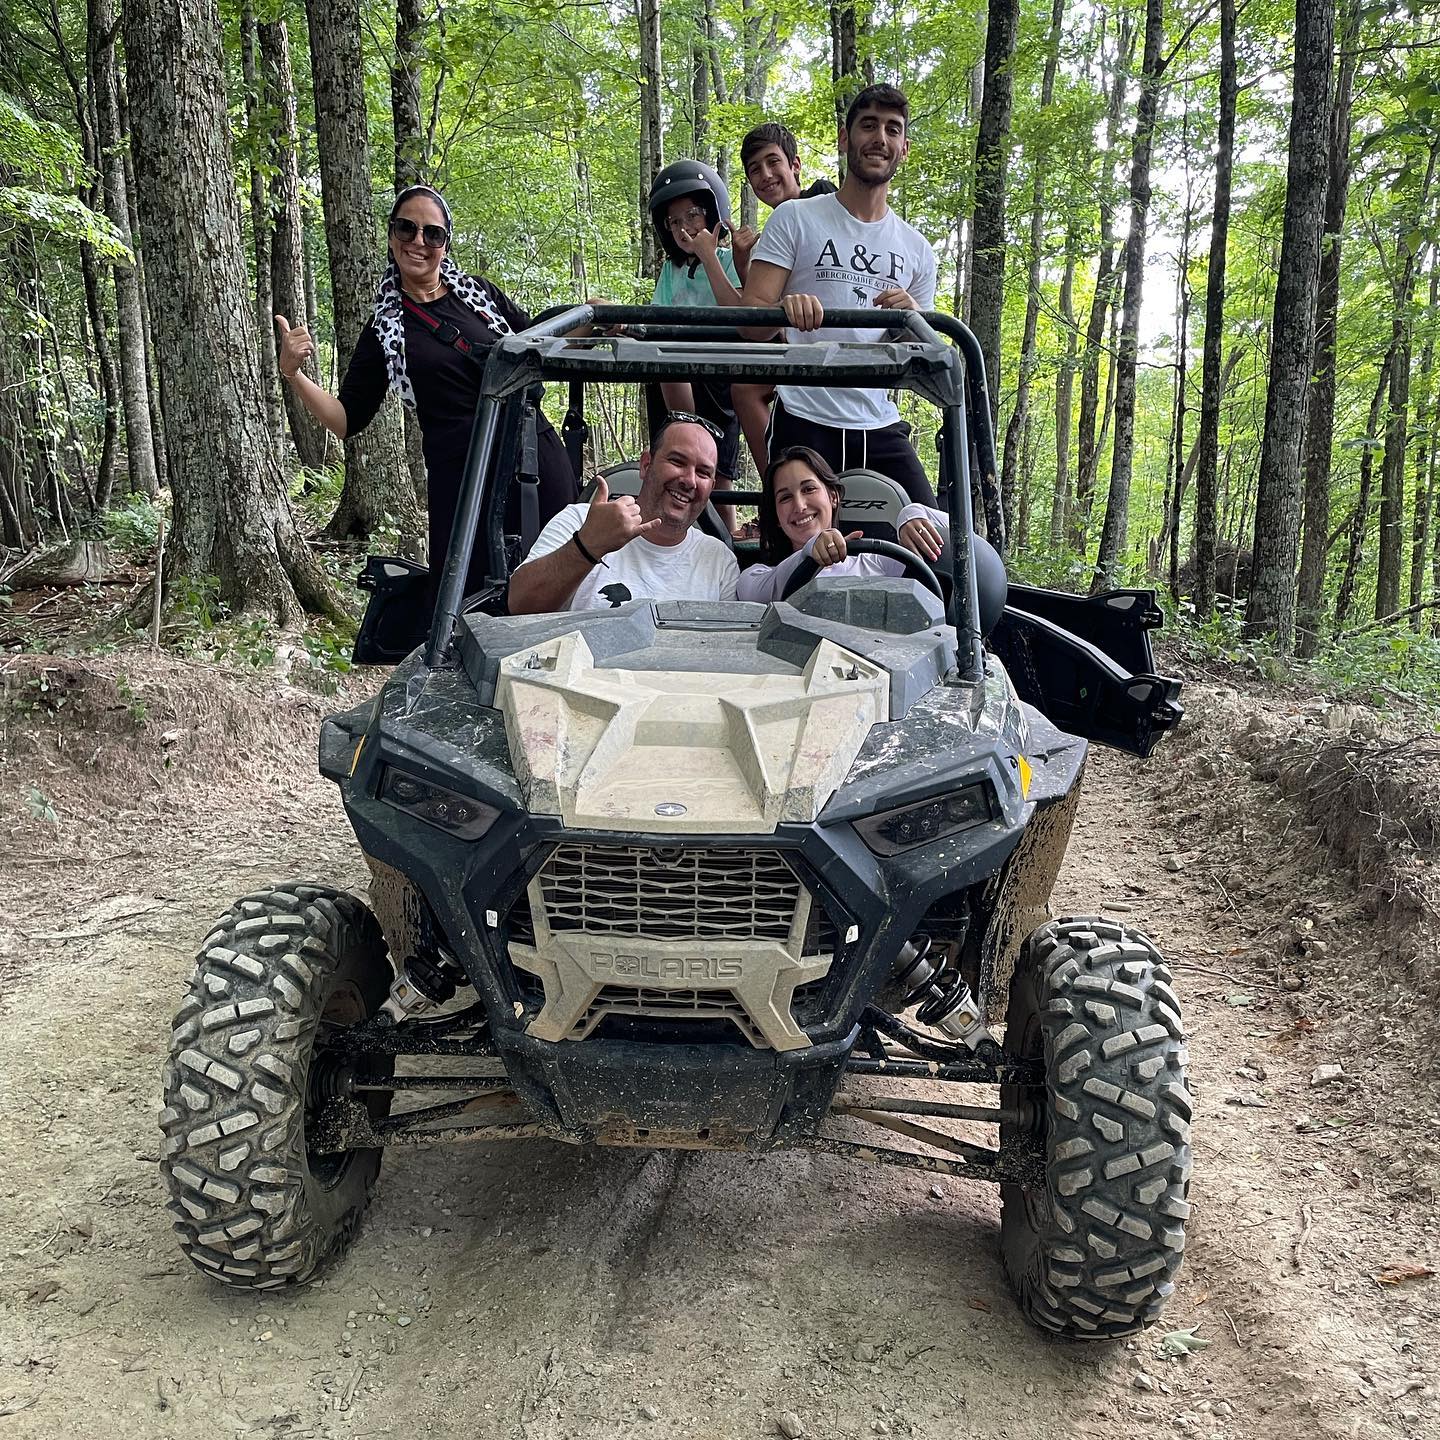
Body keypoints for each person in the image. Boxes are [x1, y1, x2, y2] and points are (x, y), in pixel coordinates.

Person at [274, 183, 579, 610]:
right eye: (407, 229)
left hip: (534, 462)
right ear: (391, 235)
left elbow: (540, 342)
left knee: (563, 587)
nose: (419, 242)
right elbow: (347, 418)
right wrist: (292, 374)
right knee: (473, 609)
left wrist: (591, 319)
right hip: (464, 484)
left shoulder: (481, 297)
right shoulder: (386, 330)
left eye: (432, 234)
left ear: (445, 243)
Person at [739, 85, 939, 503]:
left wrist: (914, 318)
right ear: (845, 138)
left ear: (904, 147)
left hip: (879, 423)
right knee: (800, 552)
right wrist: (780, 310)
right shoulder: (796, 218)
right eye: (868, 125)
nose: (880, 139)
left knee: (939, 548)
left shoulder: (917, 249)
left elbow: (924, 362)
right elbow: (749, 323)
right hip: (803, 417)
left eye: (892, 129)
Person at [508, 415, 739, 614]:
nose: (689, 481)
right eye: (677, 461)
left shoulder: (719, 560)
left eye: (703, 472)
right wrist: (587, 546)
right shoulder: (580, 521)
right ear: (646, 465)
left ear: (712, 485)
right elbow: (519, 604)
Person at [646, 160, 745, 533]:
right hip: (678, 374)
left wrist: (707, 255)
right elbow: (659, 318)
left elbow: (740, 312)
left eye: (692, 215)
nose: (684, 227)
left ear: (712, 213)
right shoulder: (671, 272)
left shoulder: (726, 260)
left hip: (719, 373)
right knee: (675, 465)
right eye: (674, 222)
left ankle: (726, 537)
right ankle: (685, 430)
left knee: (718, 474)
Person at [736, 446, 947, 603]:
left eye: (809, 489)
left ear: (834, 497)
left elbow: (963, 537)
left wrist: (912, 515)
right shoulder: (756, 577)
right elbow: (763, 589)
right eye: (785, 498)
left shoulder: (878, 563)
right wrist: (811, 549)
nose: (799, 506)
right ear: (776, 518)